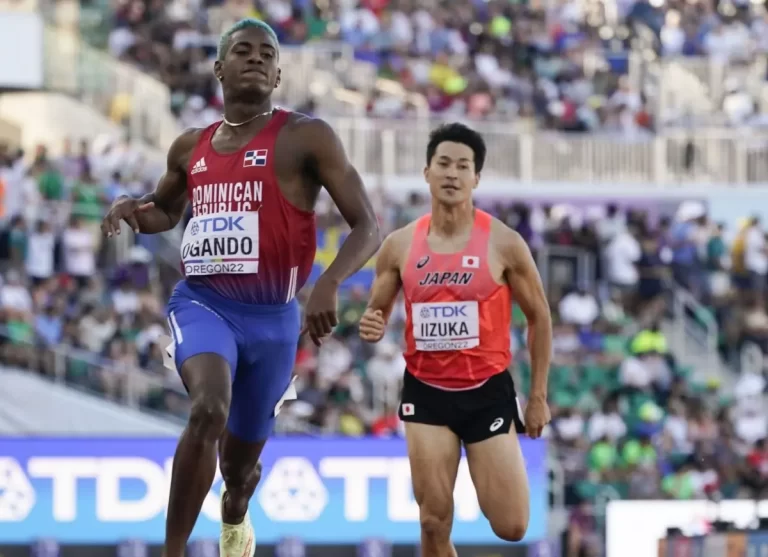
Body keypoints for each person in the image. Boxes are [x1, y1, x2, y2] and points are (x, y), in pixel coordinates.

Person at [101, 18, 380, 557]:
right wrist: (133, 210)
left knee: (240, 466)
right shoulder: (190, 147)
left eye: (267, 53)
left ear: (278, 73)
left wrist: (330, 282)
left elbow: (367, 224)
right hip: (204, 302)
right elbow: (166, 211)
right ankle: (174, 550)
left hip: (275, 321)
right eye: (243, 50)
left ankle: (234, 509)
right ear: (219, 68)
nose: (255, 58)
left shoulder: (306, 136)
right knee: (207, 408)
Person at [358, 123, 552, 556]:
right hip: (426, 392)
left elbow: (539, 316)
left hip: (487, 392)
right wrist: (372, 323)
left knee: (513, 524)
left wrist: (538, 396)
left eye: (463, 166)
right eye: (443, 164)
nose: (452, 174)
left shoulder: (504, 243)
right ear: (427, 172)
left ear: (476, 179)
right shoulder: (399, 245)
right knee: (432, 519)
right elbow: (377, 310)